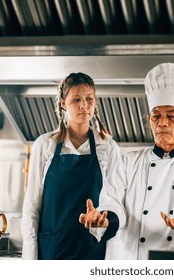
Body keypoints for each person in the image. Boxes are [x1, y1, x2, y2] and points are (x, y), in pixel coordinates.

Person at [79, 62, 174, 260]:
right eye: (156, 116)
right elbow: (112, 203)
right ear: (149, 120)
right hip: (127, 261)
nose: (162, 122)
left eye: (171, 116)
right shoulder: (128, 161)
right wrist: (103, 219)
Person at [22, 72, 121, 259]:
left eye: (89, 99)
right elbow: (32, 207)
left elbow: (114, 202)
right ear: (62, 103)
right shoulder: (44, 145)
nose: (84, 105)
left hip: (91, 248)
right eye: (76, 99)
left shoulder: (107, 147)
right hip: (52, 249)